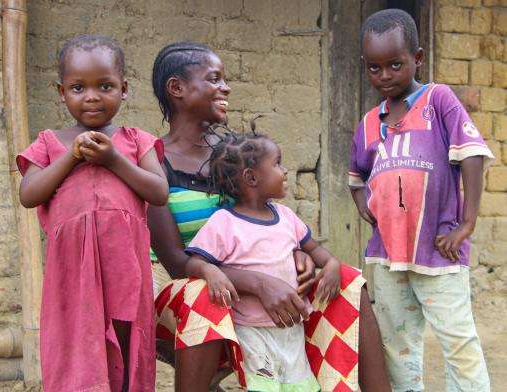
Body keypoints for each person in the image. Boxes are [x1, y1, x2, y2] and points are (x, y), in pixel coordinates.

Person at [149, 41, 390, 392]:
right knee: (203, 294)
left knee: (348, 283)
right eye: (214, 79)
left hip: (249, 289)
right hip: (186, 293)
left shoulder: (235, 156)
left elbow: (263, 218)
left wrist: (296, 253)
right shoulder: (153, 162)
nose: (226, 87)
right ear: (177, 88)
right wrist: (259, 282)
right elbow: (175, 262)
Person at [350, 9, 493, 392]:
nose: (384, 76)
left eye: (395, 64)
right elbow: (356, 177)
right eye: (374, 68)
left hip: (438, 250)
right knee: (398, 346)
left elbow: (472, 155)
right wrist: (363, 203)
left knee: (458, 342)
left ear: (418, 58)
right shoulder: (368, 123)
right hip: (387, 255)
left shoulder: (439, 100)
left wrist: (467, 223)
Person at [17, 35, 169, 392]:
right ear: (61, 92)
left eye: (105, 86)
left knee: (125, 337)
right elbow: (29, 194)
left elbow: (159, 192)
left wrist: (113, 158)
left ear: (124, 89)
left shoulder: (135, 140)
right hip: (72, 270)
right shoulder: (49, 142)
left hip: (124, 267)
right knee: (77, 340)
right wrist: (71, 156)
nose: (92, 96)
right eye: (77, 87)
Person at [183, 127, 355, 390]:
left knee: (301, 386)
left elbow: (321, 255)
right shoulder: (224, 223)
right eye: (277, 164)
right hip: (252, 331)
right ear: (251, 177)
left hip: (292, 328)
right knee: (264, 386)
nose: (285, 170)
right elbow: (193, 261)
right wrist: (211, 272)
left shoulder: (286, 217)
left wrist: (332, 266)